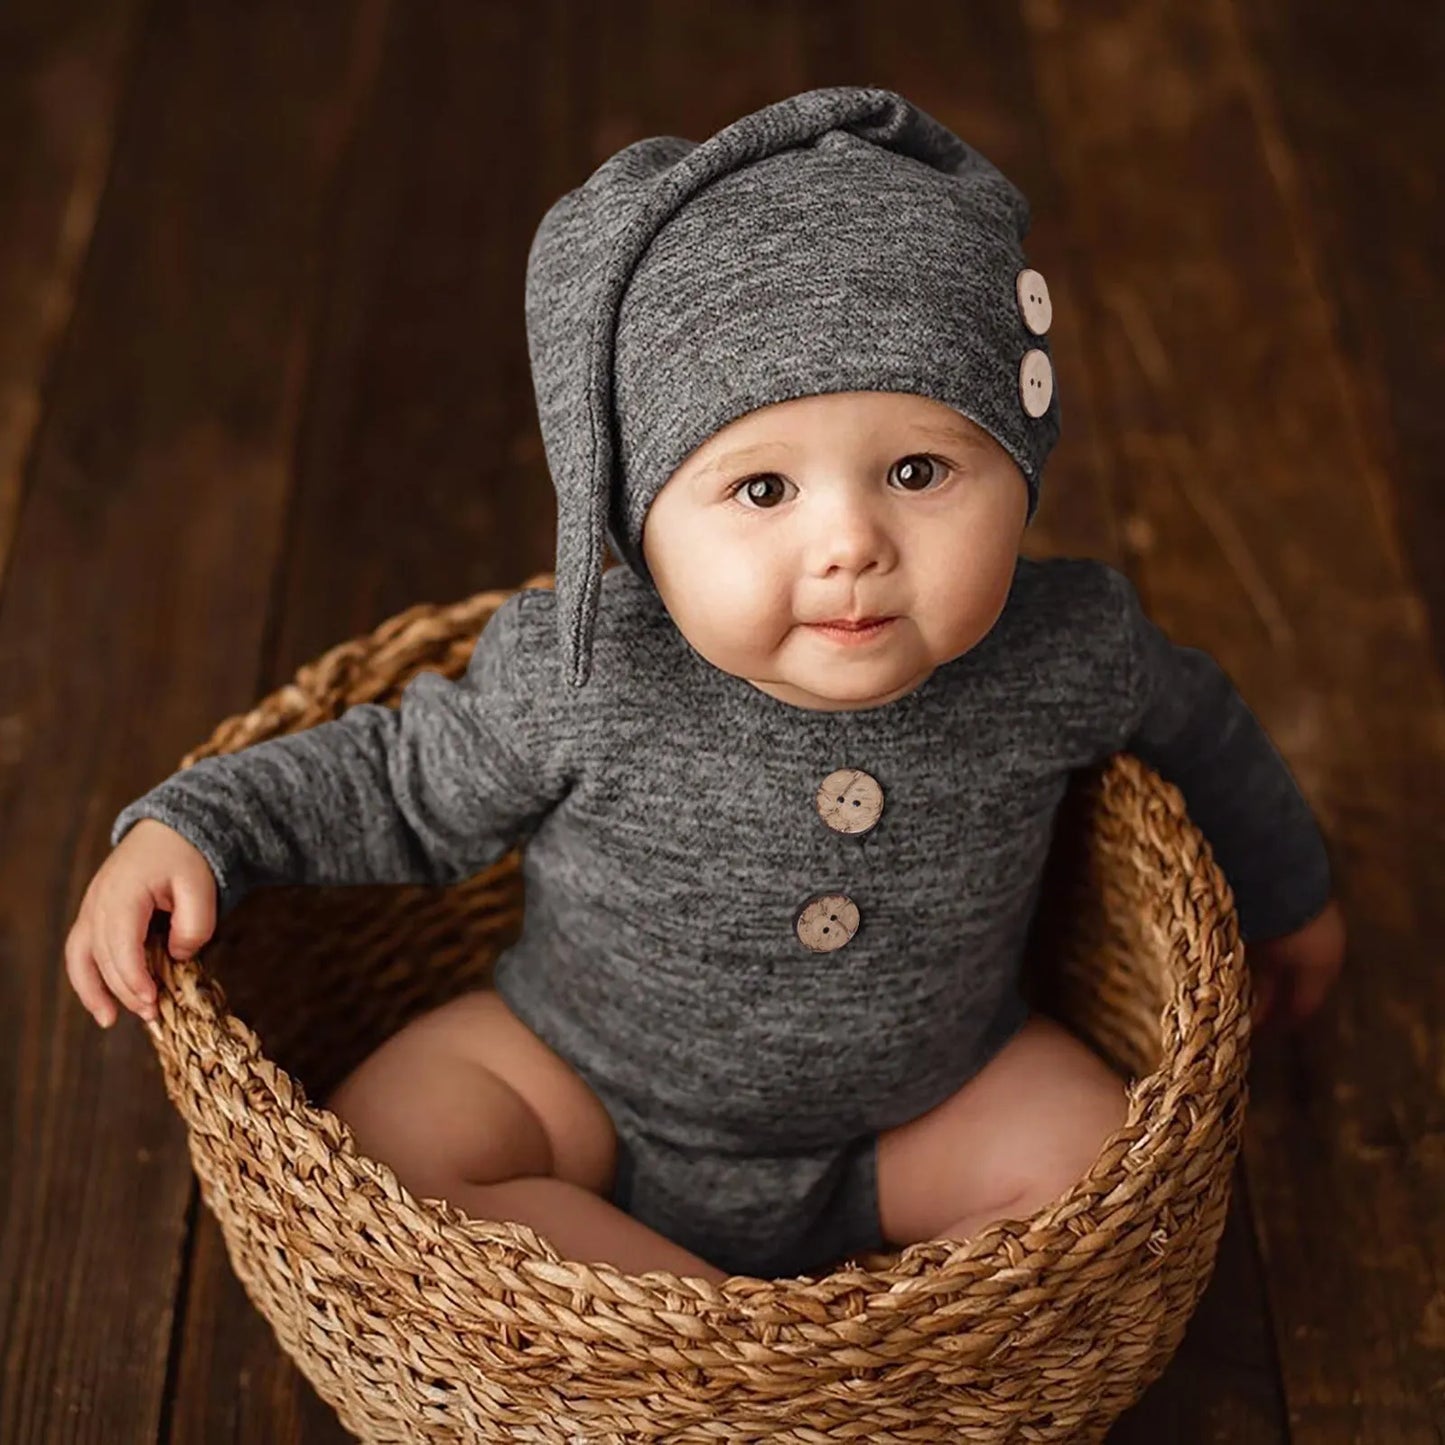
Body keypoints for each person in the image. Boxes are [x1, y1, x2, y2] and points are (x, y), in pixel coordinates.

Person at [64, 87, 1346, 1285]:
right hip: (582, 1087)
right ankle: (696, 1333)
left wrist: (1287, 896)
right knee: (385, 1142)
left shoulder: (1069, 646)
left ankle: (882, 1348)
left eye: (916, 471)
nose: (847, 544)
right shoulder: (590, 668)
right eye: (762, 489)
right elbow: (393, 778)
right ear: (640, 527)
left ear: (1023, 467)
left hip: (932, 1100)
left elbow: (1204, 729)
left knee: (1112, 1167)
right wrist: (201, 825)